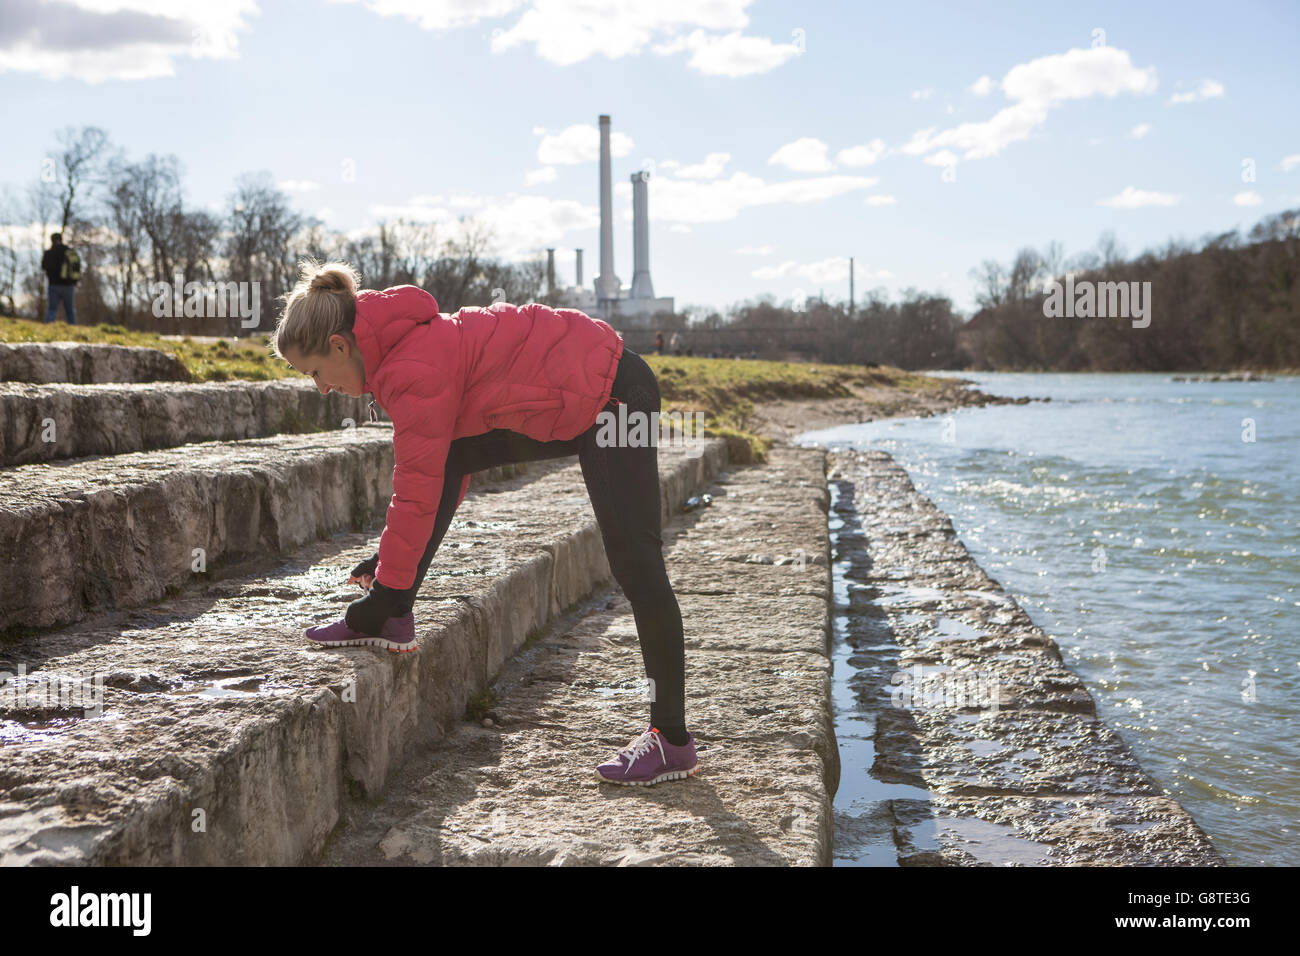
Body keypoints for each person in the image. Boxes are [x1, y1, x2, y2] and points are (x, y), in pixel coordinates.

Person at [268, 260, 697, 786]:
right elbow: (443, 465)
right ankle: (396, 607)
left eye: (313, 372)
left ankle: (671, 740)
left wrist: (382, 590)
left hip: (614, 400)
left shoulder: (409, 368)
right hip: (574, 397)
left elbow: (416, 490)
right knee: (452, 457)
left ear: (338, 346)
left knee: (637, 565)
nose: (321, 388)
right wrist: (390, 571)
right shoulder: (398, 350)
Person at [41, 233, 79, 324]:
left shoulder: (49, 252)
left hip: (53, 285)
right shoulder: (69, 251)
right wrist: (75, 281)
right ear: (61, 239)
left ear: (52, 240)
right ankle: (73, 329)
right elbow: (76, 266)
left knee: (52, 309)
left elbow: (43, 266)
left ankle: (48, 328)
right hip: (68, 285)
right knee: (70, 310)